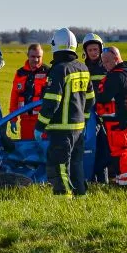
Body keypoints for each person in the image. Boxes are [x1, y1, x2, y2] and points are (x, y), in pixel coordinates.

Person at [35, 28, 95, 197]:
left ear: (56, 46)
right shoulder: (83, 68)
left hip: (61, 129)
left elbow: (52, 102)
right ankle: (80, 196)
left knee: (59, 165)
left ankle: (63, 199)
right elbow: (90, 99)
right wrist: (84, 119)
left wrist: (40, 126)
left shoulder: (59, 70)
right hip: (78, 128)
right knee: (76, 165)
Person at [95, 46, 127, 187]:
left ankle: (124, 186)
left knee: (120, 155)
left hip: (120, 122)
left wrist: (91, 94)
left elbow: (104, 97)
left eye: (107, 61)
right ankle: (121, 182)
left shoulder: (116, 76)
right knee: (122, 154)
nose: (104, 65)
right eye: (103, 62)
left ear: (116, 59)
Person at [82, 33, 110, 183]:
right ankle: (91, 177)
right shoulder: (82, 69)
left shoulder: (106, 69)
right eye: (90, 50)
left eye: (96, 50)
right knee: (90, 148)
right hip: (88, 116)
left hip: (104, 115)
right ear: (85, 52)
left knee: (104, 149)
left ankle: (105, 179)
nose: (93, 53)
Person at [8, 43, 50, 140]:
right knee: (27, 151)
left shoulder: (48, 72)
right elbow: (14, 98)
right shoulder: (20, 73)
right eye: (33, 56)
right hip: (25, 121)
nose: (36, 59)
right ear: (28, 56)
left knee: (42, 151)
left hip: (43, 121)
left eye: (38, 57)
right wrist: (13, 119)